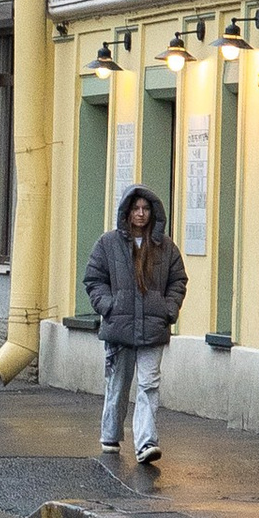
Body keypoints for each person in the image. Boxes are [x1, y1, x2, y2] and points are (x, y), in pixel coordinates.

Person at [84, 182, 184, 466]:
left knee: (149, 385)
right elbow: (93, 280)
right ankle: (111, 435)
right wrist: (109, 306)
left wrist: (169, 309)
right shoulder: (108, 244)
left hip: (153, 327)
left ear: (153, 213)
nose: (141, 214)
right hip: (120, 327)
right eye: (136, 208)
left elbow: (178, 281)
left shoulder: (165, 248)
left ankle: (146, 443)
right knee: (118, 384)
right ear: (126, 212)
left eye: (146, 209)